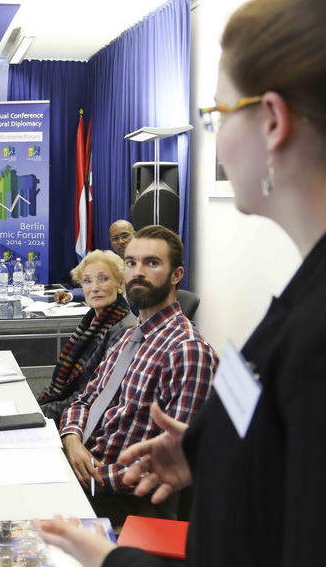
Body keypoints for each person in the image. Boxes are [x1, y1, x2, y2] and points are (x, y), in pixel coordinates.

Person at [35, 0, 326, 564]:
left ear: (273, 122)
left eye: (218, 112)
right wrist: (212, 453)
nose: (215, 136)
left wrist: (112, 559)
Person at [58, 225, 217, 527]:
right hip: (80, 462)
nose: (138, 272)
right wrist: (72, 441)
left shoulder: (187, 351)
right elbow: (84, 400)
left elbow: (167, 463)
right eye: (131, 263)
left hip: (118, 496)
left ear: (176, 275)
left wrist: (88, 474)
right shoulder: (127, 337)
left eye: (152, 263)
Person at [35, 250, 137, 424]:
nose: (94, 287)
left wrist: (36, 411)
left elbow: (89, 397)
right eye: (87, 281)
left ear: (120, 283)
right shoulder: (92, 321)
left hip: (87, 420)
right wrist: (31, 402)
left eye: (103, 279)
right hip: (70, 407)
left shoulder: (123, 331)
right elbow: (61, 387)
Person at [55, 220, 135, 305]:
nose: (121, 241)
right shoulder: (111, 263)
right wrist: (70, 295)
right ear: (111, 242)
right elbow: (96, 287)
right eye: (115, 238)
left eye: (125, 236)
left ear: (135, 236)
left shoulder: (142, 265)